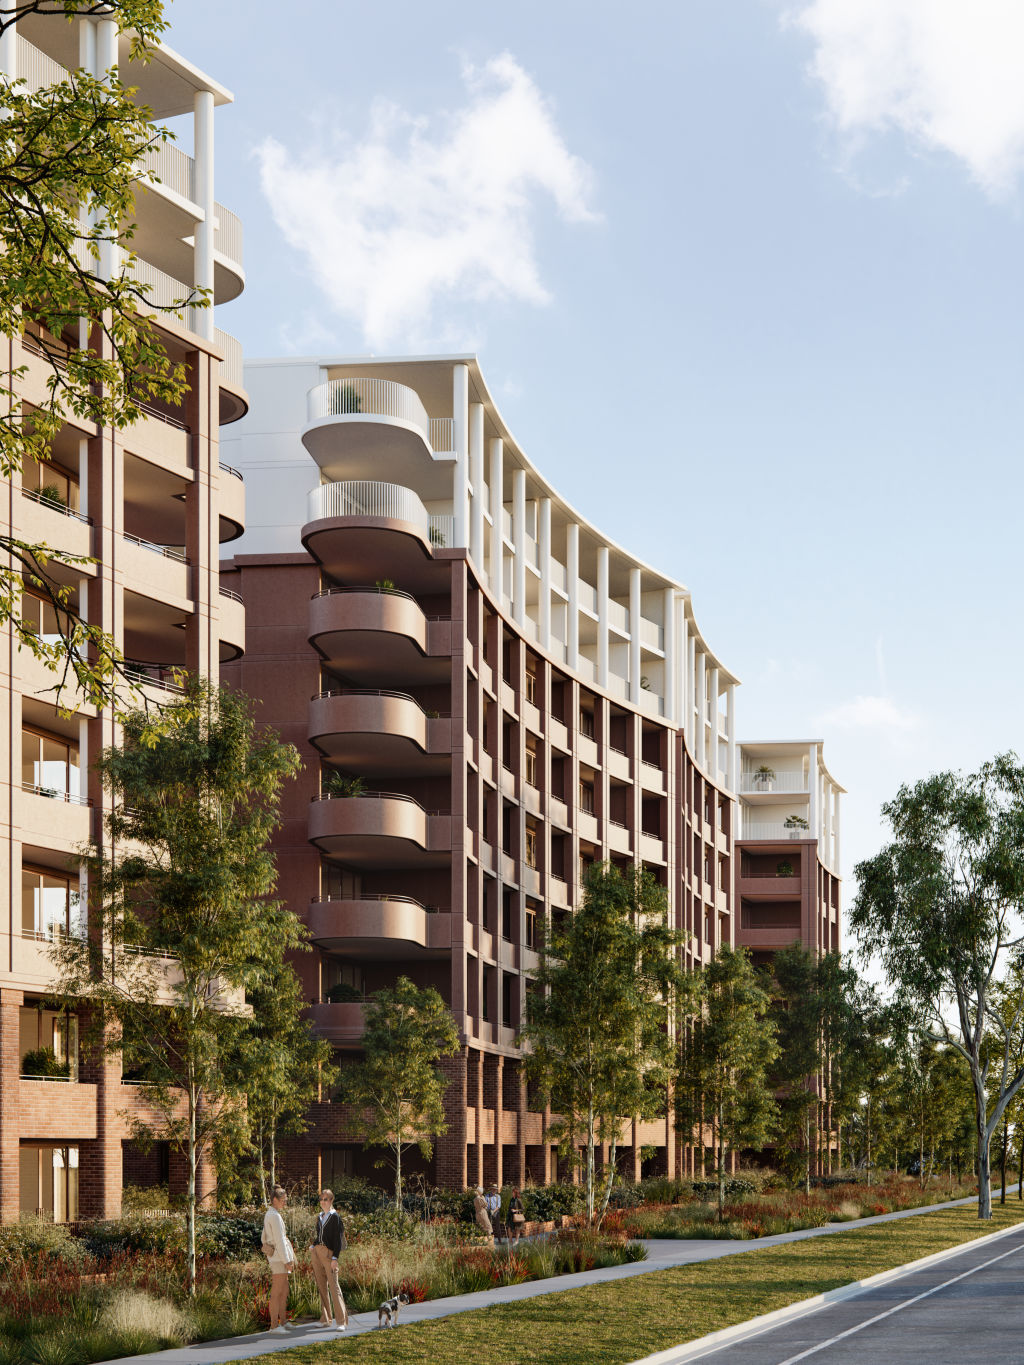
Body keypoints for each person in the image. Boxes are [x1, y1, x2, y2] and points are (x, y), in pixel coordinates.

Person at [309, 1188, 348, 1330]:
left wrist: (335, 1258)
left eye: (325, 1199)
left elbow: (337, 1240)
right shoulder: (320, 1216)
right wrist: (313, 1245)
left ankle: (341, 1321)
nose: (322, 1202)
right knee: (321, 1286)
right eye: (321, 1199)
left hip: (329, 1254)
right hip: (317, 1253)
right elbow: (320, 1236)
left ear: (331, 1200)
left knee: (334, 1287)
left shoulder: (335, 1217)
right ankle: (325, 1319)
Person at [261, 1185, 296, 1333]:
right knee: (277, 1290)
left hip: (279, 1256)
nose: (285, 1203)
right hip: (278, 1258)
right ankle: (274, 1325)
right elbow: (279, 1240)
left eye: (286, 1200)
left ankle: (283, 1321)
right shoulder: (273, 1216)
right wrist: (287, 1260)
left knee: (284, 1289)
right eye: (282, 1200)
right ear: (274, 1200)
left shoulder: (273, 1214)